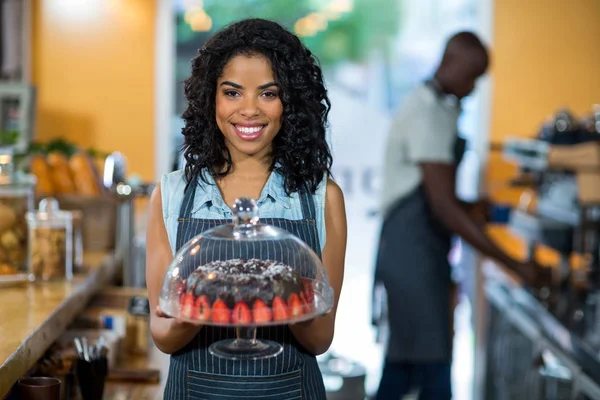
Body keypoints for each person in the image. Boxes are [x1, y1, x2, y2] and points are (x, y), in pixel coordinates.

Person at [145, 19, 347, 400]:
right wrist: (207, 295)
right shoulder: (171, 194)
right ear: (211, 99)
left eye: (268, 94)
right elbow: (164, 336)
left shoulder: (322, 197)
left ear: (292, 101)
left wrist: (280, 292)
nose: (250, 110)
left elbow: (320, 337)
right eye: (233, 93)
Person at [373, 32, 548, 399]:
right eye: (471, 77)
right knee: (430, 367)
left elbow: (439, 196)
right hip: (412, 252)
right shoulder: (427, 111)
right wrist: (515, 264)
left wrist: (474, 208)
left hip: (419, 250)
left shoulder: (438, 106)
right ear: (449, 63)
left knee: (407, 364)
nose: (472, 88)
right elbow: (442, 206)